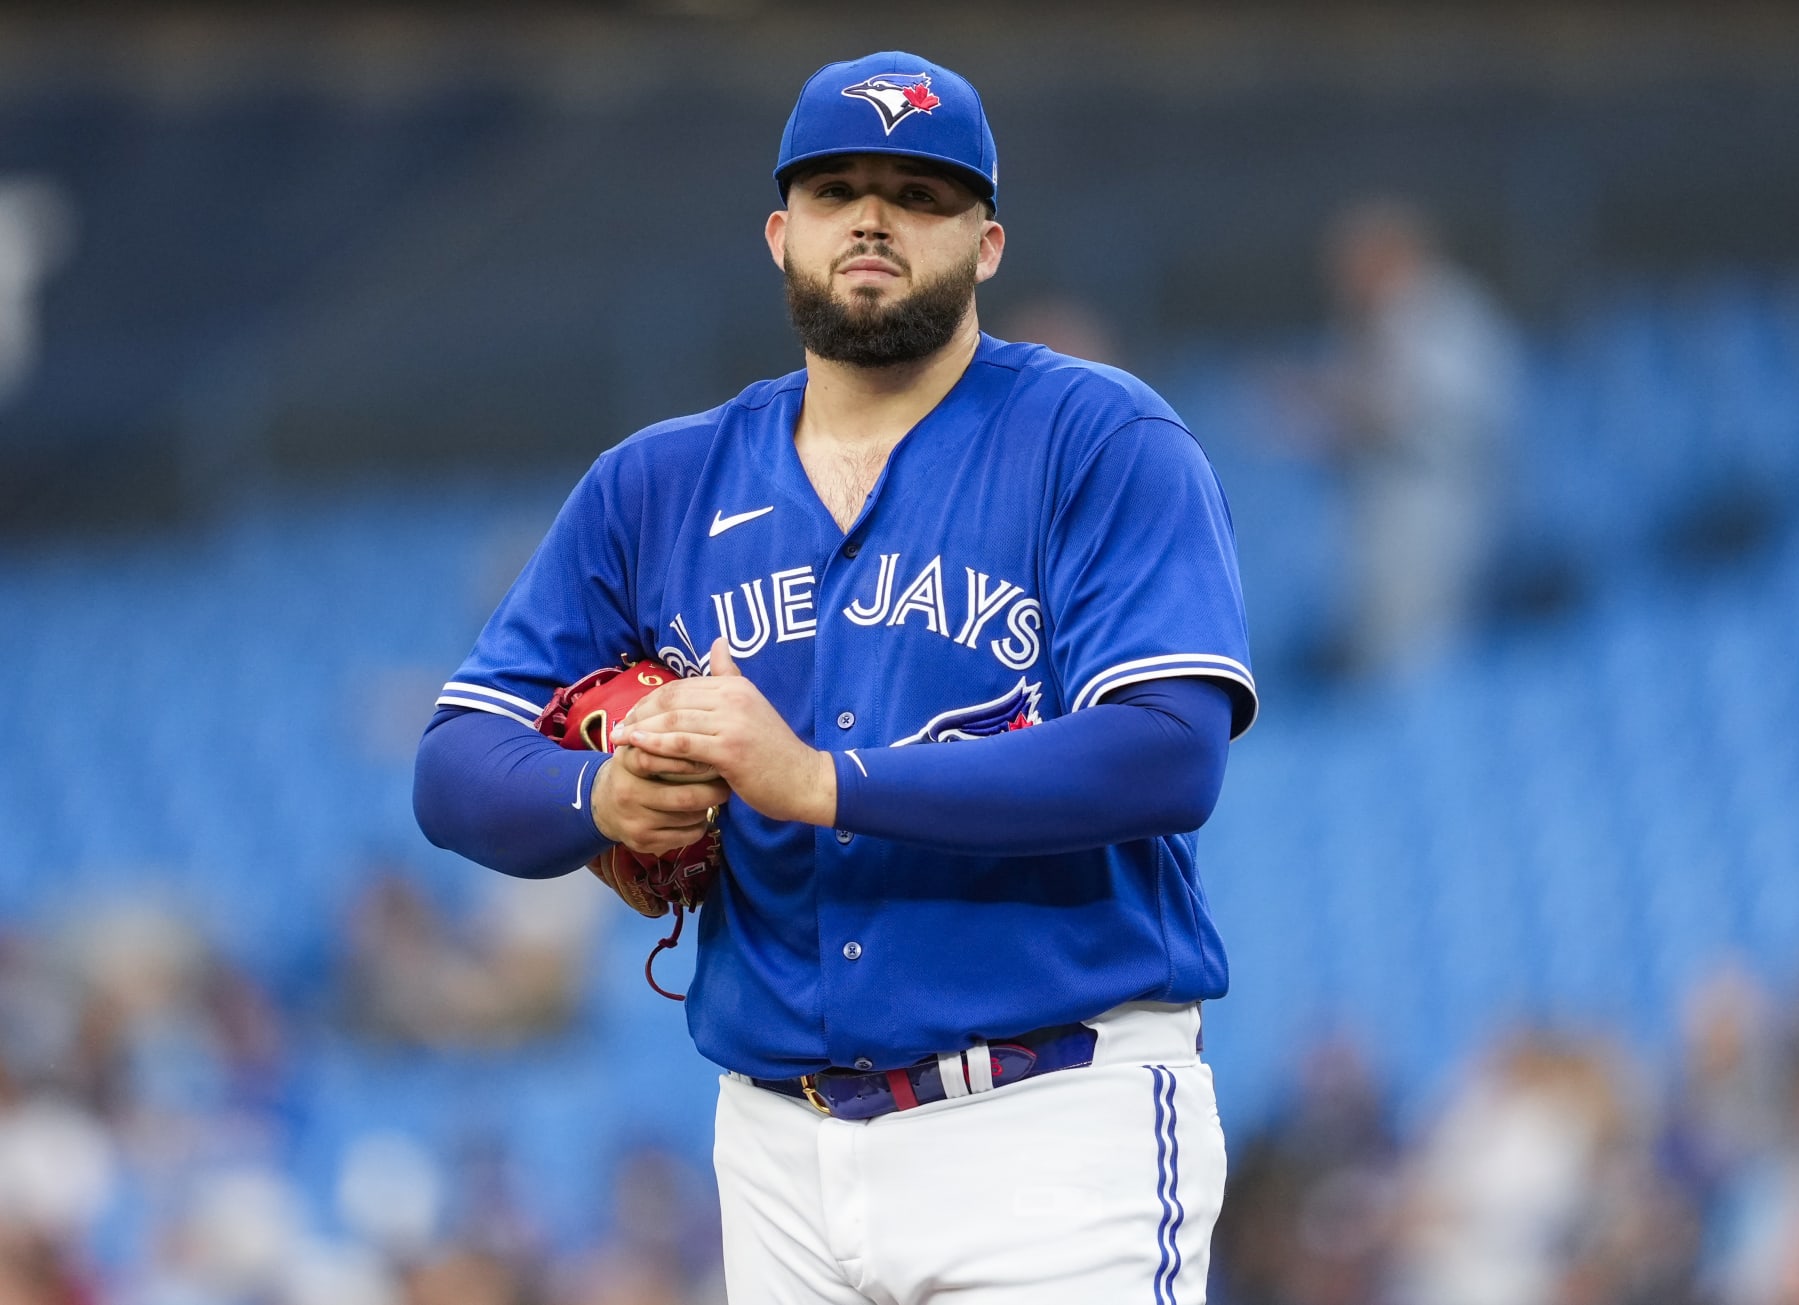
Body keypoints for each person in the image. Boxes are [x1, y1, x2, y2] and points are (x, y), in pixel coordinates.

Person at [414, 50, 1257, 1304]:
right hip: (775, 1148)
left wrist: (822, 782)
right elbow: (454, 764)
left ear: (987, 243)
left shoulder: (1100, 437)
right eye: (836, 189)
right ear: (780, 233)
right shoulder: (657, 484)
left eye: (919, 194)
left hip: (1050, 1124)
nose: (872, 218)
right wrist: (598, 802)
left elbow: (1168, 751)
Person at [1299, 198, 1521, 680]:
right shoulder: (1376, 323)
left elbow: (1415, 415)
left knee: (1424, 663)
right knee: (1386, 659)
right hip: (1390, 509)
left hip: (1436, 506)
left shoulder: (1442, 312)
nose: (1343, 277)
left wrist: (1325, 400)